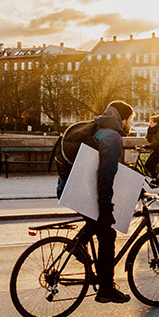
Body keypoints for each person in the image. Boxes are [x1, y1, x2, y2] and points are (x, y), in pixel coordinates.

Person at [56, 101, 135, 303]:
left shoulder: (98, 128)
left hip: (68, 186)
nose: (131, 124)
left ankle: (77, 247)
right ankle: (106, 289)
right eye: (131, 120)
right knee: (107, 233)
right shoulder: (113, 137)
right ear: (122, 119)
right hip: (81, 191)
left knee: (96, 224)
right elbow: (106, 176)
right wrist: (106, 207)